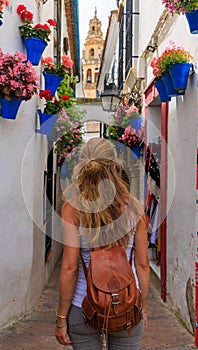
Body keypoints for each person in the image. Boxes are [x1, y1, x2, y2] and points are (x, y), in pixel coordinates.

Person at [54, 137, 150, 350]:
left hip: (84, 305)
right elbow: (143, 265)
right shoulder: (134, 207)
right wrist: (141, 306)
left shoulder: (73, 208)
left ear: (83, 165)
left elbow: (70, 268)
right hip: (127, 303)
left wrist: (62, 317)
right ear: (115, 165)